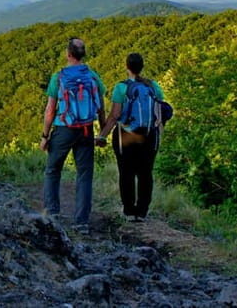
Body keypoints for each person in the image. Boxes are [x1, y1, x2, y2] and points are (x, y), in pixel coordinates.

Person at [40, 37, 106, 234]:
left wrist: (44, 135)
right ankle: (81, 223)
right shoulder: (92, 76)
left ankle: (52, 214)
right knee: (84, 175)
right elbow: (101, 107)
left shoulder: (58, 77)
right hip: (86, 129)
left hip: (64, 128)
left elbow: (50, 110)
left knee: (53, 170)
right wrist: (102, 133)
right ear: (83, 54)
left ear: (68, 54)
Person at [96, 52, 165, 222]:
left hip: (126, 135)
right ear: (142, 67)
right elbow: (160, 114)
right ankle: (142, 212)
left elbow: (115, 115)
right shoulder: (154, 87)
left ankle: (129, 211)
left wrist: (102, 136)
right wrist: (159, 136)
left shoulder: (121, 88)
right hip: (149, 135)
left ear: (127, 67)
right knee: (145, 173)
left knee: (126, 173)